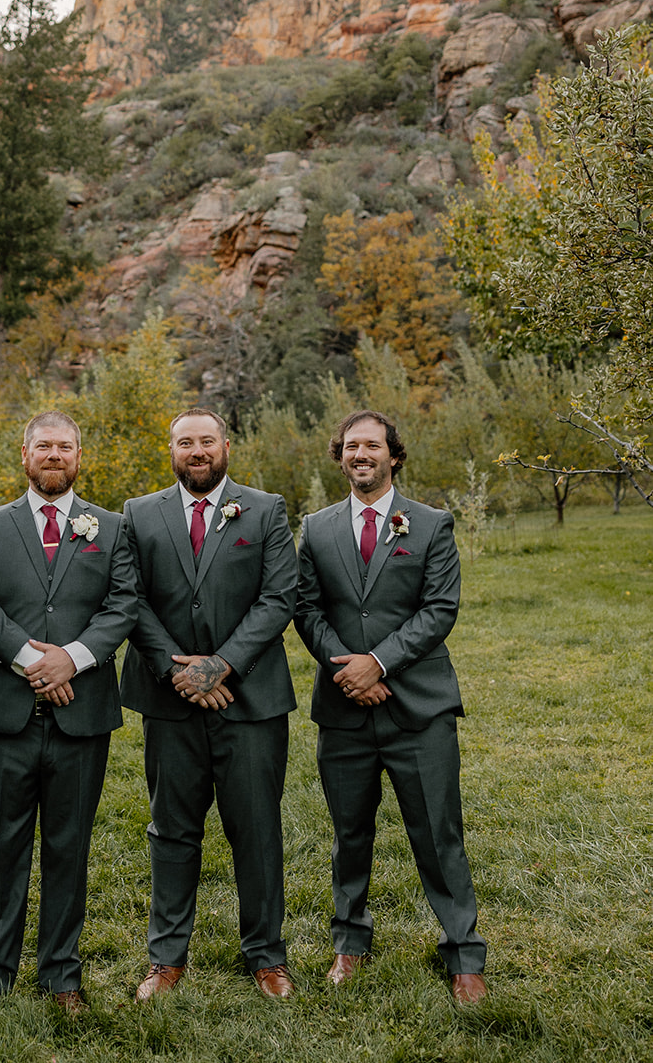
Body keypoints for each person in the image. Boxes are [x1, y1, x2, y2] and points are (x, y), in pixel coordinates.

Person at [294, 409, 487, 1003]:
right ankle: (350, 943)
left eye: (372, 446)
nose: (361, 455)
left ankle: (463, 955)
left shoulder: (430, 524)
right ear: (340, 455)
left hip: (418, 709)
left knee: (437, 833)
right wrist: (347, 669)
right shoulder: (317, 528)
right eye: (351, 446)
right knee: (349, 834)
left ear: (393, 456)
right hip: (344, 709)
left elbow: (439, 610)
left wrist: (377, 664)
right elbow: (307, 607)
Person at [0, 410, 137, 1022]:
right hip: (4, 710)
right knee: (1, 847)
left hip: (81, 713)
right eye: (43, 446)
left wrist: (76, 660)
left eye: (64, 446)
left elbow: (122, 606)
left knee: (69, 845)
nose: (53, 455)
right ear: (24, 454)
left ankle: (62, 974)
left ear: (79, 455)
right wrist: (36, 661)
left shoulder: (110, 528)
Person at [121, 408, 299, 1000]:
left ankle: (266, 956)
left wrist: (219, 666)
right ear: (170, 449)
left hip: (249, 702)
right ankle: (166, 959)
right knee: (171, 830)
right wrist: (180, 671)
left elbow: (278, 599)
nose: (196, 451)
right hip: (169, 702)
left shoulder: (266, 509)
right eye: (184, 442)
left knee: (255, 828)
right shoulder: (139, 514)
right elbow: (131, 600)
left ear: (226, 446)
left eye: (206, 441)